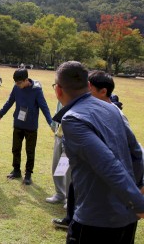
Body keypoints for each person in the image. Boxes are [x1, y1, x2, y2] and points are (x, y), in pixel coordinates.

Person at [52, 62, 144, 243]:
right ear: (88, 86)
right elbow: (137, 152)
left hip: (96, 221)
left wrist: (138, 203)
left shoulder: (73, 119)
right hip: (126, 217)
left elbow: (108, 164)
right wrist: (138, 188)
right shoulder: (111, 108)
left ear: (58, 91)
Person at [0, 68, 52, 185]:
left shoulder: (37, 90)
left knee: (30, 151)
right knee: (15, 149)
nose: (17, 85)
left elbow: (44, 107)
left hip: (31, 126)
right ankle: (16, 171)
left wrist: (50, 122)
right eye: (15, 83)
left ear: (26, 80)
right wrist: (0, 114)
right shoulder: (16, 88)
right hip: (18, 124)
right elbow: (9, 101)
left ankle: (28, 174)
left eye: (19, 83)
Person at [46, 101, 70, 204]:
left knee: (68, 169)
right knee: (57, 166)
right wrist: (53, 125)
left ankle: (70, 199)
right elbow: (57, 112)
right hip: (59, 135)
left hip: (70, 138)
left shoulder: (77, 98)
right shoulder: (61, 99)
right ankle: (60, 193)